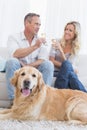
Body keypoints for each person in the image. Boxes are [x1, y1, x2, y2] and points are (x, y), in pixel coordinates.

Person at [6, 13, 54, 100]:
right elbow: (15, 53)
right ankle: (13, 100)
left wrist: (28, 67)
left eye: (39, 25)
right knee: (11, 62)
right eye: (36, 24)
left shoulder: (40, 40)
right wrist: (35, 46)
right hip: (20, 69)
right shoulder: (13, 37)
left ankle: (42, 99)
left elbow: (42, 60)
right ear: (27, 23)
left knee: (48, 64)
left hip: (34, 70)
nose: (38, 27)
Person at [49, 21, 87, 92]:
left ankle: (59, 90)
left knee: (70, 72)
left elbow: (68, 65)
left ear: (75, 34)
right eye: (66, 29)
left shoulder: (75, 48)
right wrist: (66, 67)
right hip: (55, 71)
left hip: (65, 73)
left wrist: (61, 51)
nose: (66, 32)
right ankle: (85, 95)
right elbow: (51, 60)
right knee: (70, 70)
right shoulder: (57, 41)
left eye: (70, 30)